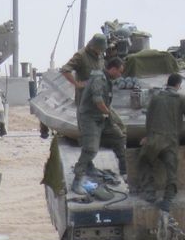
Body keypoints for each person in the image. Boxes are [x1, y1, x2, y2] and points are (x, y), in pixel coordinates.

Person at [71, 55, 128, 194]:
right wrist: (109, 114)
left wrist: (112, 118)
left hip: (102, 116)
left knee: (119, 137)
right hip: (90, 118)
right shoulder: (99, 79)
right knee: (90, 149)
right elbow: (98, 101)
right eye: (119, 72)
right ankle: (77, 180)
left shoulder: (107, 79)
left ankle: (124, 172)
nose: (120, 75)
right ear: (113, 69)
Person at [135, 72, 184, 210]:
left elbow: (149, 118)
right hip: (171, 140)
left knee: (144, 161)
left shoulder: (155, 97)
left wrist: (147, 136)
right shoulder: (180, 99)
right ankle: (168, 199)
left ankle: (150, 195)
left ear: (167, 83)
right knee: (171, 170)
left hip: (153, 139)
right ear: (178, 85)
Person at [61, 33, 108, 103]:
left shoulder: (100, 55)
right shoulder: (81, 55)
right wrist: (76, 84)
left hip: (99, 97)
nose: (101, 51)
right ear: (93, 47)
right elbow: (65, 70)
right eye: (100, 49)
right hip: (84, 99)